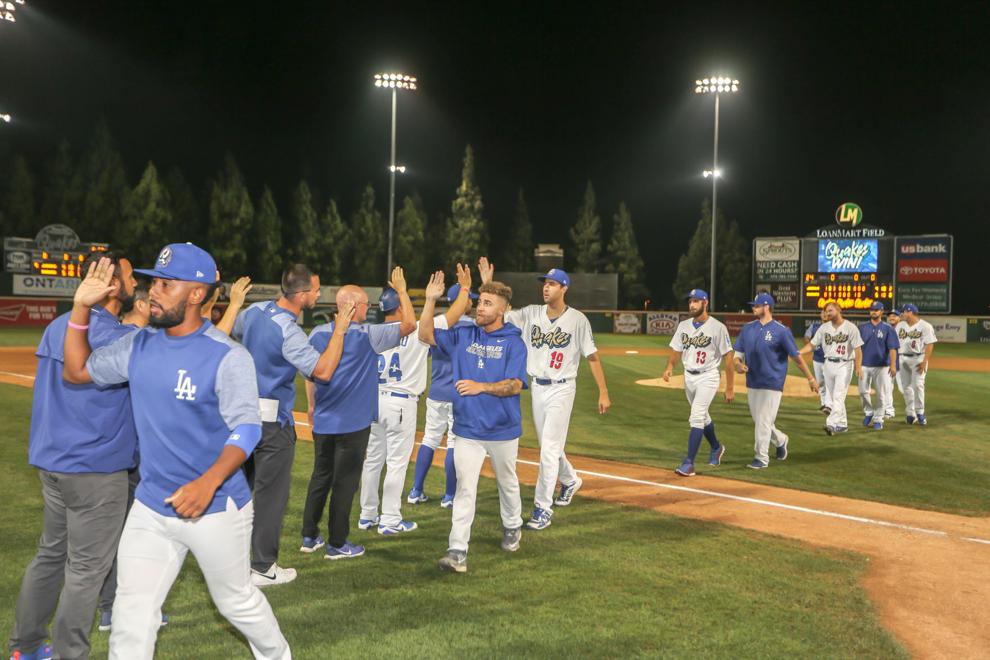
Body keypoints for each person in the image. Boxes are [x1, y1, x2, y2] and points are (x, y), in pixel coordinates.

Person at [62, 244, 291, 660]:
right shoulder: (139, 345)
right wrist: (80, 308)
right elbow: (76, 370)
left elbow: (247, 429)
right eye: (153, 282)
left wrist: (208, 482)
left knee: (236, 602)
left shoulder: (228, 356)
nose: (153, 291)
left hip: (216, 508)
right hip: (151, 507)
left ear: (197, 294)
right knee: (132, 615)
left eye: (167, 284)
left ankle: (278, 655)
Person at [8, 252, 137, 660]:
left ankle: (25, 647)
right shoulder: (118, 338)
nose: (136, 284)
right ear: (112, 287)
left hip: (53, 462)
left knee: (50, 555)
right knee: (85, 571)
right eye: (131, 277)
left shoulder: (60, 325)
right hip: (96, 469)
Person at [230, 264, 354, 586]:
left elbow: (235, 337)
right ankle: (262, 567)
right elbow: (322, 372)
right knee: (271, 497)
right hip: (272, 424)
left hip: (239, 416)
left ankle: (228, 560)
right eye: (315, 290)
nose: (318, 294)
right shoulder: (289, 331)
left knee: (236, 493)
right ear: (300, 295)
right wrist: (339, 330)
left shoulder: (253, 311)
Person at [481, 259, 611, 530]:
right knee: (550, 446)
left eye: (552, 283)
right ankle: (571, 479)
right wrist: (488, 286)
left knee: (549, 449)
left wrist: (603, 392)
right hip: (537, 387)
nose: (546, 288)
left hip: (563, 388)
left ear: (564, 288)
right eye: (544, 283)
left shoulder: (577, 320)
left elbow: (594, 358)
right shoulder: (531, 313)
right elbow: (500, 314)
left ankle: (542, 508)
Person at [418, 268, 529, 574]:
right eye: (480, 302)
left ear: (503, 309)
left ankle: (512, 525)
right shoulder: (464, 334)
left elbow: (515, 385)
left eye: (488, 303)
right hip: (466, 429)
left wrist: (482, 387)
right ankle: (457, 552)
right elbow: (424, 334)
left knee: (508, 482)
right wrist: (430, 301)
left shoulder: (514, 343)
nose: (480, 307)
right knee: (466, 488)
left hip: (503, 430)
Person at [301, 268, 416, 559]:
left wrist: (312, 405)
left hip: (324, 420)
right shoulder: (368, 335)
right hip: (352, 424)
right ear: (351, 306)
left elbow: (310, 375)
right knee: (344, 484)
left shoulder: (316, 334)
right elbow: (410, 324)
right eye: (364, 304)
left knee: (320, 478)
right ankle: (337, 544)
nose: (368, 309)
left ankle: (309, 535)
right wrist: (402, 291)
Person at [359, 276, 467, 534]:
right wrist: (464, 287)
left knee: (373, 460)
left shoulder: (372, 333)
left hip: (373, 401)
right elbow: (455, 314)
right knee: (396, 463)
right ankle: (390, 520)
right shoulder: (418, 328)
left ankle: (367, 515)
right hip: (400, 403)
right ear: (400, 307)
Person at [406, 283, 477, 508]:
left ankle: (416, 490)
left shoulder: (437, 325)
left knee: (429, 439)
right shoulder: (473, 328)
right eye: (470, 298)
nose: (473, 302)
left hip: (437, 392)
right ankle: (449, 496)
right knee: (454, 443)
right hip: (460, 394)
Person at [733, 293, 818, 469]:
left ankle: (761, 458)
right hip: (753, 381)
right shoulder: (747, 328)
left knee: (763, 420)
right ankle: (780, 440)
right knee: (760, 421)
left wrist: (810, 378)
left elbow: (796, 357)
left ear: (766, 307)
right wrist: (738, 365)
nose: (753, 308)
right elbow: (737, 355)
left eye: (756, 305)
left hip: (773, 381)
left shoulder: (781, 330)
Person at [663, 289, 734, 477]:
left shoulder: (718, 327)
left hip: (708, 376)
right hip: (689, 377)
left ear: (705, 303)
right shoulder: (683, 326)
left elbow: (728, 357)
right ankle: (716, 447)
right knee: (703, 417)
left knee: (696, 417)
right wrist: (670, 366)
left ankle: (689, 463)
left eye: (696, 301)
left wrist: (729, 387)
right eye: (690, 301)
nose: (692, 305)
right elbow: (677, 350)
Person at [799, 301, 863, 435]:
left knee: (839, 395)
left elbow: (858, 348)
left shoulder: (851, 328)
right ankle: (843, 424)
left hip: (844, 364)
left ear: (839, 310)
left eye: (830, 310)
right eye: (826, 311)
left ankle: (831, 424)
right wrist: (799, 352)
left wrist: (858, 366)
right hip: (828, 364)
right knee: (835, 396)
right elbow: (812, 345)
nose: (828, 313)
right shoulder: (823, 328)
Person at [857, 301, 899, 430]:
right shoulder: (862, 327)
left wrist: (893, 365)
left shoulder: (888, 329)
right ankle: (869, 412)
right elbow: (857, 348)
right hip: (864, 364)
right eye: (872, 309)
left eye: (876, 310)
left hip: (882, 366)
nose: (873, 312)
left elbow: (893, 349)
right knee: (863, 392)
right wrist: (857, 364)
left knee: (881, 394)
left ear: (881, 311)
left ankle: (878, 419)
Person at [895, 303, 938, 425]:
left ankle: (920, 412)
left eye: (903, 312)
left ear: (910, 312)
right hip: (902, 357)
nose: (901, 314)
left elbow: (930, 344)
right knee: (906, 387)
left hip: (918, 358)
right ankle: (910, 413)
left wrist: (925, 361)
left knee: (918, 385)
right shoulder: (900, 325)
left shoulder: (925, 326)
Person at [803, 308, 829, 414]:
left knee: (830, 383)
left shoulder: (834, 327)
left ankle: (829, 404)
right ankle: (824, 404)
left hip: (829, 360)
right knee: (821, 382)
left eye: (826, 312)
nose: (824, 314)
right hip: (817, 358)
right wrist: (809, 344)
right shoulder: (814, 327)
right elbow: (806, 337)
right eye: (822, 312)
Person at [884, 308, 903, 419]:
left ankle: (913, 410)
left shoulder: (904, 330)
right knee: (887, 387)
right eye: (890, 315)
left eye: (895, 315)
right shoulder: (885, 329)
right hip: (889, 362)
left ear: (899, 317)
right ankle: (889, 410)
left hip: (903, 363)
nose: (892, 317)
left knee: (904, 389)